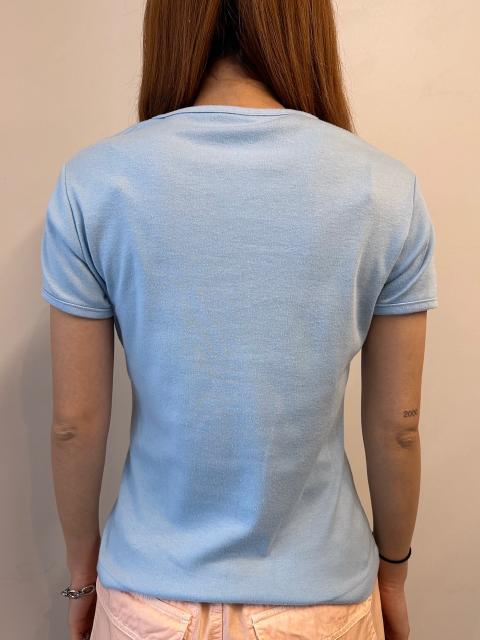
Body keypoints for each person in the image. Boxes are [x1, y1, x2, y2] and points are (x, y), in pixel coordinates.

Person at [40, 1, 439, 639]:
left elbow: (73, 425)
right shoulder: (387, 191)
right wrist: (393, 572)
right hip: (321, 601)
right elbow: (399, 427)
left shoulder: (92, 185)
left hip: (148, 597)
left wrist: (82, 578)